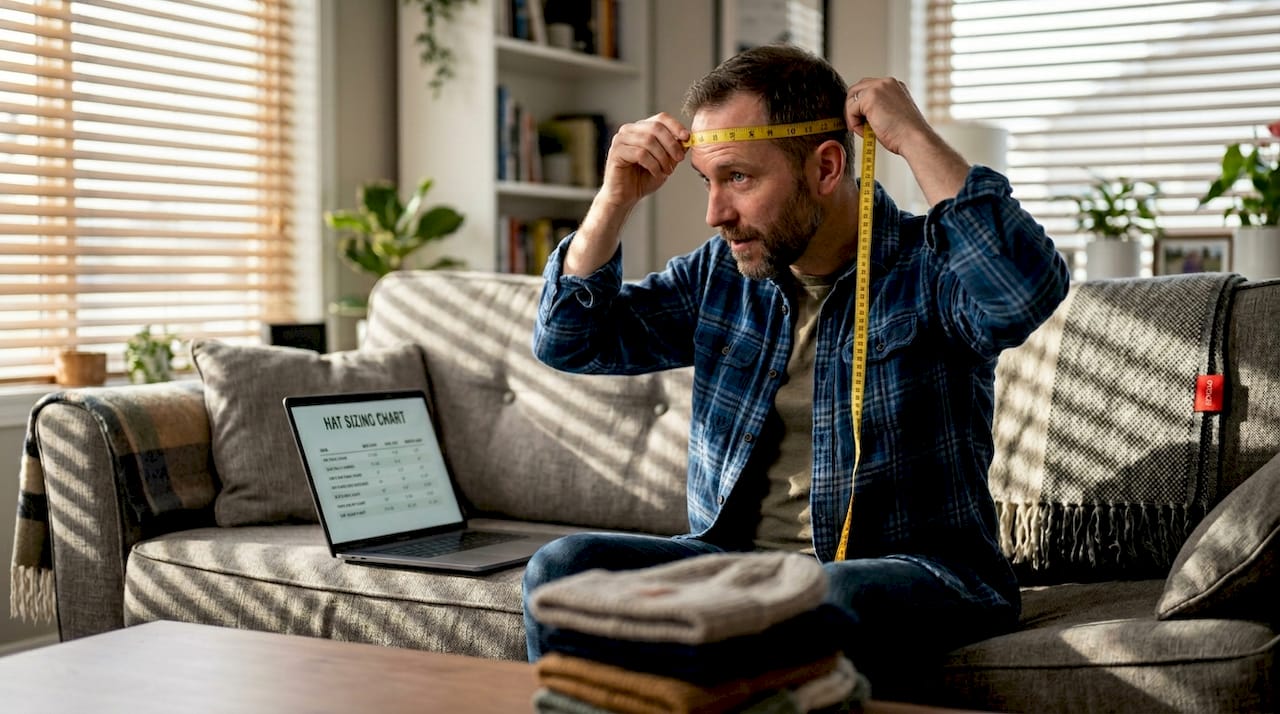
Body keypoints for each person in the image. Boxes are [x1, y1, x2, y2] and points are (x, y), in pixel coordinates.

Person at [523, 44, 1071, 695]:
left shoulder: (929, 269)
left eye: (740, 179)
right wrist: (615, 196)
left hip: (920, 572)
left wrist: (913, 136)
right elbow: (569, 339)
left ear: (827, 167)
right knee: (563, 567)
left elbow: (1019, 291)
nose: (715, 213)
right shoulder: (720, 276)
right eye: (708, 181)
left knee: (818, 591)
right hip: (732, 566)